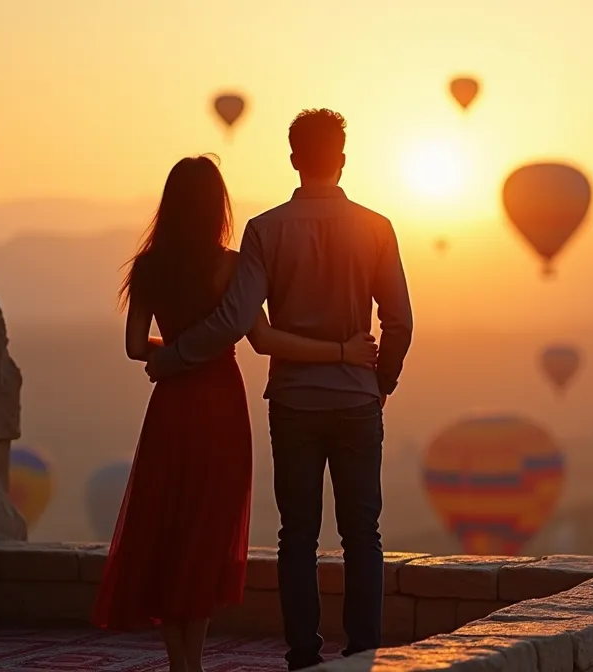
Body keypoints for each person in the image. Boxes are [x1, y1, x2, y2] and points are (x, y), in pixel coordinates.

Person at [145, 109, 414, 670]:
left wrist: (174, 355)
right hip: (357, 400)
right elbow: (400, 321)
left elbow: (235, 321)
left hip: (293, 402)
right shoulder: (376, 227)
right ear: (342, 159)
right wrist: (380, 381)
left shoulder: (265, 230)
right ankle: (363, 652)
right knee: (362, 534)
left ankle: (303, 656)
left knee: (298, 536)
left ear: (294, 159)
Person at [91, 155, 379, 672]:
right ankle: (196, 661)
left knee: (168, 528)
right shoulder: (230, 265)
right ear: (216, 206)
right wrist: (341, 352)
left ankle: (179, 662)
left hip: (171, 406)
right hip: (220, 405)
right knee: (205, 532)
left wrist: (172, 351)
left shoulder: (147, 268)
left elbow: (136, 347)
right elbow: (263, 338)